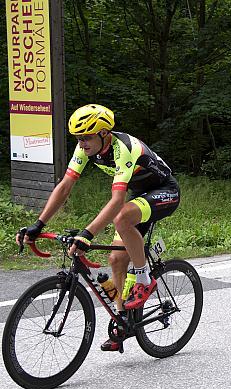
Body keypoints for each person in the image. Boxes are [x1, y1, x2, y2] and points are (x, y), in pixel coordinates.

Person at [16, 104, 180, 351]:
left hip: (165, 192)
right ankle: (123, 322)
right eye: (78, 139)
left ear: (104, 133)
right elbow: (65, 187)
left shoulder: (123, 148)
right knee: (115, 259)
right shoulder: (85, 148)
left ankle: (144, 278)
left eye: (86, 138)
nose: (81, 144)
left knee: (122, 217)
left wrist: (87, 233)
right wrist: (38, 225)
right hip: (140, 195)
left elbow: (116, 201)